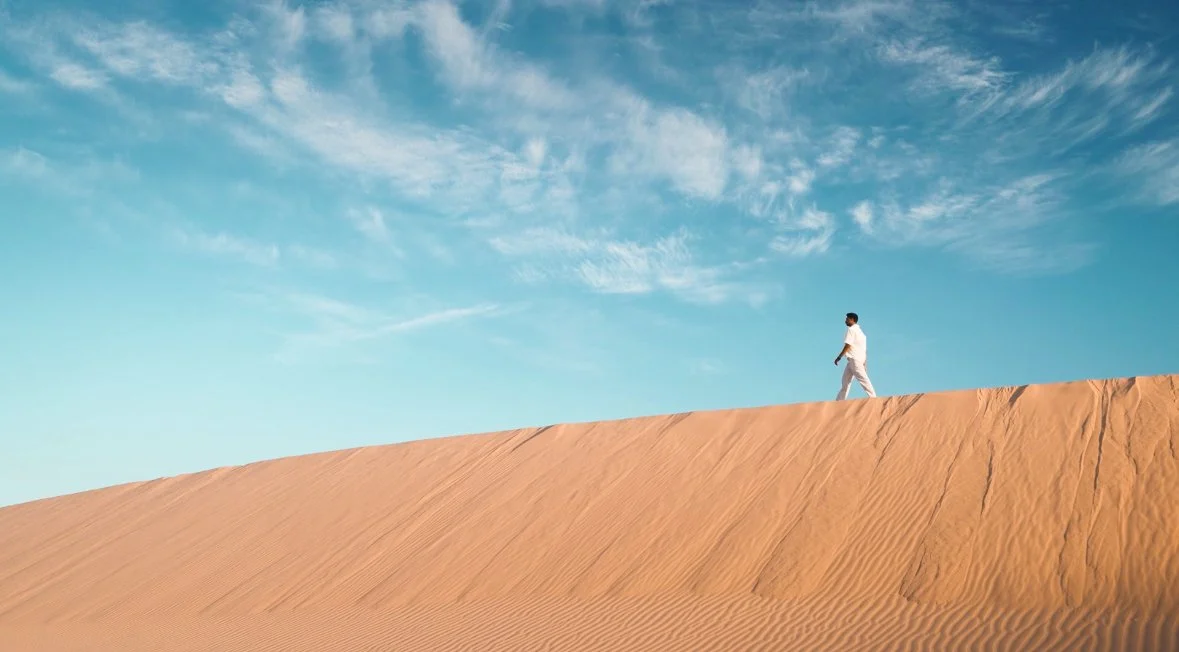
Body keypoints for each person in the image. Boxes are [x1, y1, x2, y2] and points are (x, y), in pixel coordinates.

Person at [834, 312, 876, 400]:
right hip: (855, 361)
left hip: (855, 360)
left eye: (847, 319)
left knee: (863, 379)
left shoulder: (851, 330)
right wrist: (865, 363)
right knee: (845, 382)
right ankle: (838, 402)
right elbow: (864, 350)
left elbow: (847, 345)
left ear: (852, 320)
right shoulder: (861, 333)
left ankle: (874, 398)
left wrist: (839, 357)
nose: (845, 321)